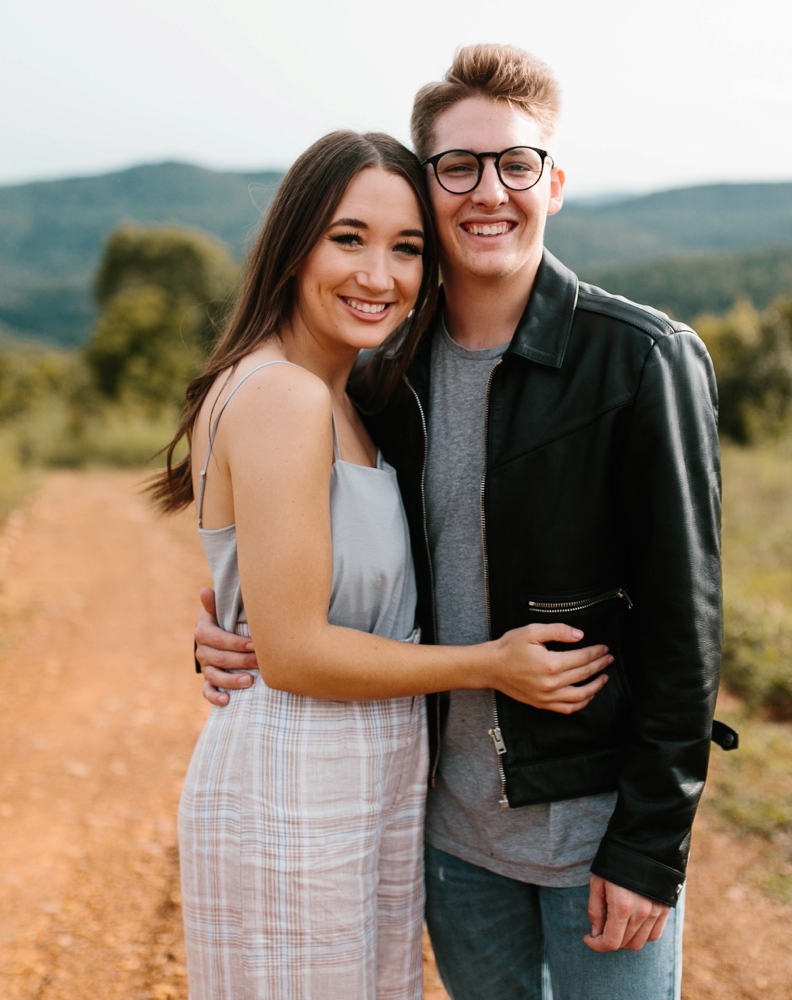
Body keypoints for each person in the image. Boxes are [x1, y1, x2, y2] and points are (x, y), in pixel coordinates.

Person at [196, 46, 728, 1000]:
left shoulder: (643, 360)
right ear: (430, 187)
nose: (490, 191)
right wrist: (230, 626)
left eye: (515, 164)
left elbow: (686, 630)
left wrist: (650, 846)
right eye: (458, 167)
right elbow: (324, 580)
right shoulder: (381, 380)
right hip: (443, 839)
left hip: (591, 836)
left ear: (552, 183)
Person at [150, 129, 614, 1000]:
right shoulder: (288, 395)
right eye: (348, 238)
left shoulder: (349, 395)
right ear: (293, 245)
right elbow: (293, 653)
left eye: (406, 249)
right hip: (298, 776)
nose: (378, 276)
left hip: (360, 774)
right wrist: (492, 665)